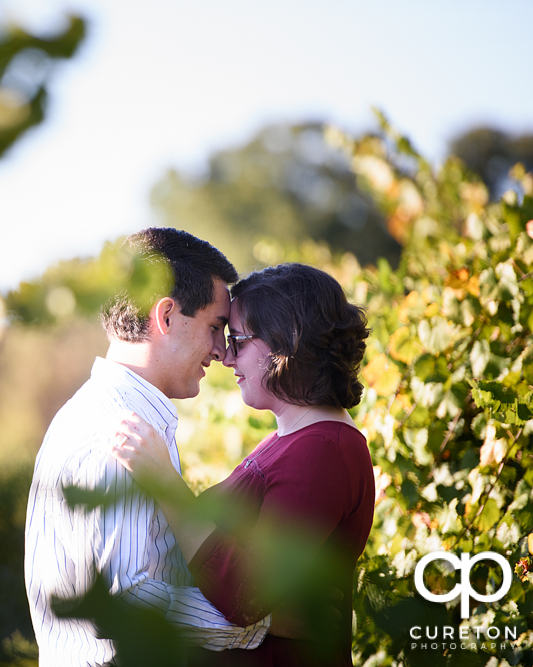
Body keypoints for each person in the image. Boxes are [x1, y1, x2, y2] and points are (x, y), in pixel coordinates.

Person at [24, 228, 273, 667]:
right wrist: (260, 625)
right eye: (215, 327)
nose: (221, 351)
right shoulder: (120, 431)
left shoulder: (89, 413)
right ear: (167, 316)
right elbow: (130, 595)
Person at [111, 262, 374, 666]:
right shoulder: (292, 440)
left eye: (238, 340)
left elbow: (246, 592)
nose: (225, 356)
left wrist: (165, 481)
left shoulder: (324, 451)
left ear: (285, 342)